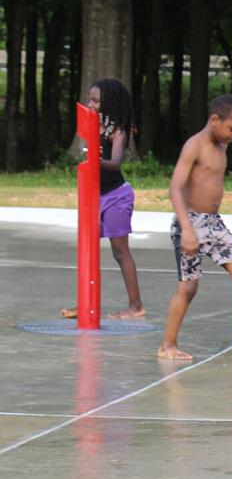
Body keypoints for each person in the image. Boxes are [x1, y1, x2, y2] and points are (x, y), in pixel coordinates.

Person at [156, 95, 232, 362]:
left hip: (213, 223)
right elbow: (175, 187)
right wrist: (186, 229)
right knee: (188, 288)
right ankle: (167, 344)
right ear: (214, 120)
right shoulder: (194, 145)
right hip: (190, 223)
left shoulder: (222, 144)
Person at [61, 79, 145, 319]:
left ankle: (136, 306)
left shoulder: (119, 129)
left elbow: (115, 162)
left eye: (96, 100)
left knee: (120, 252)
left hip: (116, 196)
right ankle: (86, 302)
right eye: (90, 99)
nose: (91, 104)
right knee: (87, 250)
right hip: (94, 196)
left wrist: (92, 163)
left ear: (110, 102)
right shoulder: (95, 125)